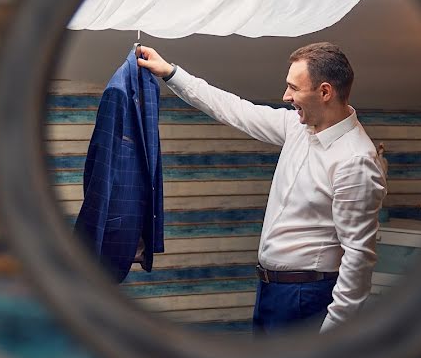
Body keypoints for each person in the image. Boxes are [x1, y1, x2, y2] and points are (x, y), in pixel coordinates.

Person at [135, 42, 386, 334]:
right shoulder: (298, 126)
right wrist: (171, 72)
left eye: (294, 88)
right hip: (271, 292)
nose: (286, 96)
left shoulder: (355, 160)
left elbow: (358, 259)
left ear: (325, 92)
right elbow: (234, 109)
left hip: (308, 299)